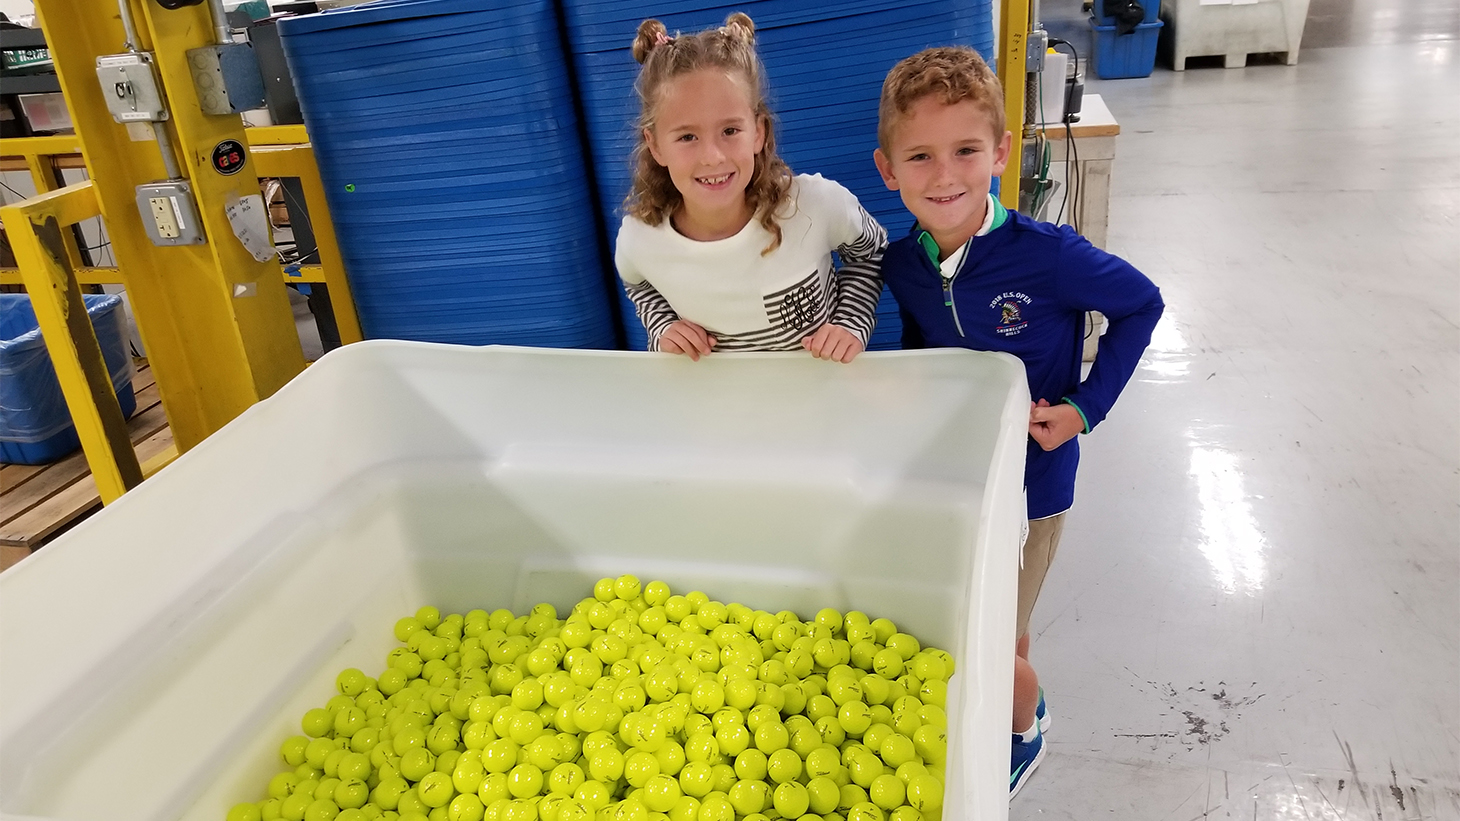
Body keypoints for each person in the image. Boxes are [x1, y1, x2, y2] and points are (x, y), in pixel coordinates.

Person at [872, 46, 1164, 799]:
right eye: (921, 156)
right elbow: (922, 340)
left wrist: (1085, 409)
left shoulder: (1049, 258)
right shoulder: (903, 265)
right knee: (1001, 614)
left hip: (1035, 488)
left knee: (987, 631)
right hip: (961, 482)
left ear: (1000, 154)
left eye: (966, 150)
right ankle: (1012, 673)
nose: (945, 176)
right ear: (887, 169)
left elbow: (1142, 303)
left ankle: (1023, 727)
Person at [615, 13, 886, 362]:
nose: (712, 157)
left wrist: (851, 323)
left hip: (825, 404)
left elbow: (872, 250)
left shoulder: (817, 204)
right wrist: (663, 327)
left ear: (758, 131)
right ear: (655, 146)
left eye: (730, 131)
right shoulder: (640, 239)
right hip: (718, 411)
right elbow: (637, 284)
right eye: (687, 136)